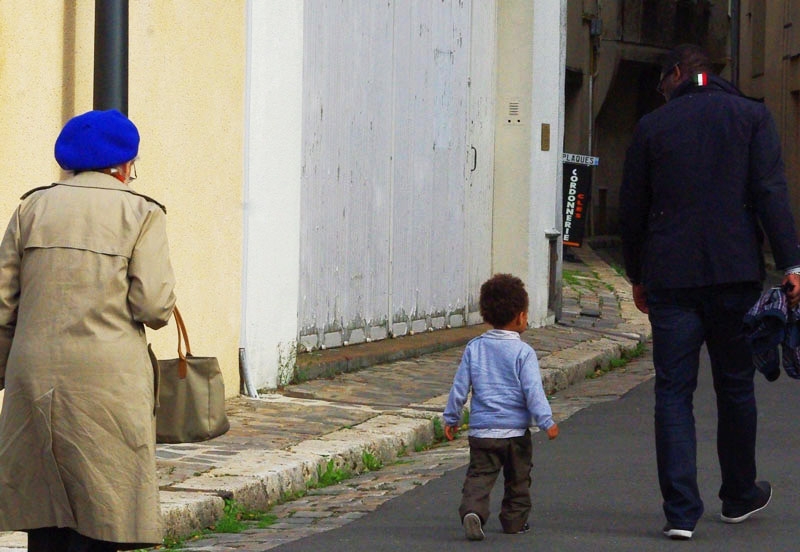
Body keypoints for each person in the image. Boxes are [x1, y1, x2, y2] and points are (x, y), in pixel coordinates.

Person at [620, 44, 800, 541]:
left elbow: (632, 210)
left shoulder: (652, 127)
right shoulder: (751, 116)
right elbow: (770, 191)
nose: (662, 94)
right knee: (735, 386)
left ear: (676, 74)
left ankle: (680, 512)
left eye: (662, 84)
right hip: (735, 272)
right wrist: (792, 263)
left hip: (671, 279)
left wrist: (637, 274)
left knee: (673, 393)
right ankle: (739, 494)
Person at [0, 109, 177, 552]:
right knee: (107, 503)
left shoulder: (31, 208)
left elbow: (3, 303)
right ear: (123, 166)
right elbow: (152, 306)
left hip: (34, 375)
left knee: (45, 508)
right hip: (108, 379)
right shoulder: (141, 213)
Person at [443, 273, 559, 541]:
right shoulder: (523, 353)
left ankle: (473, 511)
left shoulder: (475, 348)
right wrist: (546, 421)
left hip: (483, 432)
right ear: (520, 317)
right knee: (518, 480)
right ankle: (514, 522)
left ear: (486, 315)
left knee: (479, 476)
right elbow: (533, 391)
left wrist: (452, 418)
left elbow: (459, 387)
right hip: (516, 433)